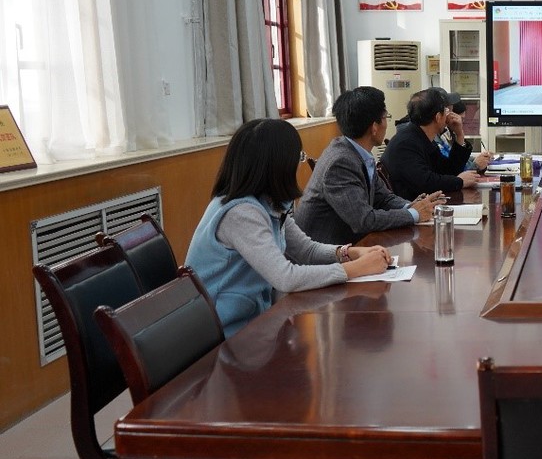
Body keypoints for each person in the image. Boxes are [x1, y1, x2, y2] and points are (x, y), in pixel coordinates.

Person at [184, 119, 391, 337]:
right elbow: (285, 278)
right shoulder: (241, 213)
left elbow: (305, 250)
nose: (296, 166)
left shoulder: (268, 203)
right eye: (297, 157)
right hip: (224, 332)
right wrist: (356, 269)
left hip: (256, 320)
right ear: (278, 165)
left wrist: (348, 253)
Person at [294, 86, 439, 245]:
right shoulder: (340, 163)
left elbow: (384, 198)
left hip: (349, 245)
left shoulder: (358, 152)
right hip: (321, 252)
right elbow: (364, 220)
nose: (387, 123)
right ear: (374, 127)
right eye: (385, 117)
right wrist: (414, 214)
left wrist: (411, 206)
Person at [382, 88, 483, 200]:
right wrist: (460, 182)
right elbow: (425, 182)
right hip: (411, 205)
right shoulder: (406, 143)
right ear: (438, 117)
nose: (448, 115)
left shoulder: (422, 136)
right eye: (446, 111)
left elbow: (448, 170)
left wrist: (459, 134)